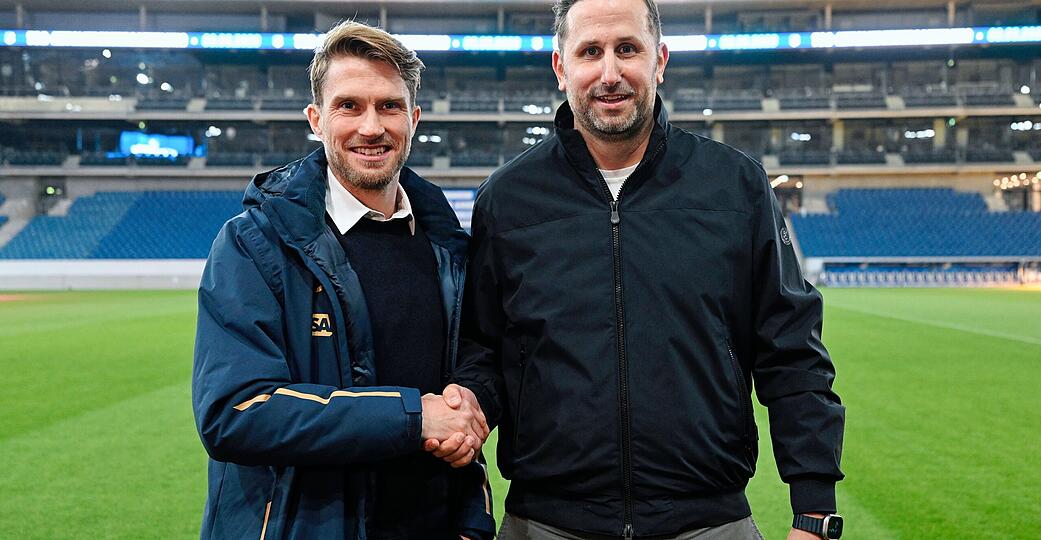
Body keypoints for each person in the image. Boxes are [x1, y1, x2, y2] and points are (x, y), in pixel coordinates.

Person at [445, 0, 846, 538]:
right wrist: (469, 406)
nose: (610, 74)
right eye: (590, 52)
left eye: (627, 49)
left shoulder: (736, 187)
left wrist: (815, 509)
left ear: (659, 60)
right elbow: (485, 351)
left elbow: (792, 351)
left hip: (708, 520)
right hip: (545, 521)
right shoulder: (507, 200)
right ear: (561, 67)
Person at [192, 20, 494, 540]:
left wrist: (472, 407)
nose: (371, 127)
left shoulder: (447, 245)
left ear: (415, 118)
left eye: (389, 106)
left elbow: (476, 363)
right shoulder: (254, 244)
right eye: (349, 105)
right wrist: (412, 418)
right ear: (316, 118)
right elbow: (235, 411)